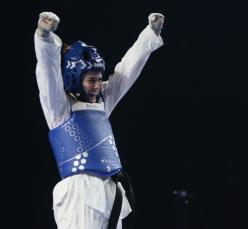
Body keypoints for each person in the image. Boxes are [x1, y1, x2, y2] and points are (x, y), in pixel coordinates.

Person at [34, 11, 165, 229]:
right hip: (80, 195)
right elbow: (48, 74)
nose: (98, 86)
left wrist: (150, 35)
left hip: (110, 191)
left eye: (99, 79)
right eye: (91, 80)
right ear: (74, 79)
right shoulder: (59, 110)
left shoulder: (101, 103)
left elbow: (126, 71)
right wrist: (44, 38)